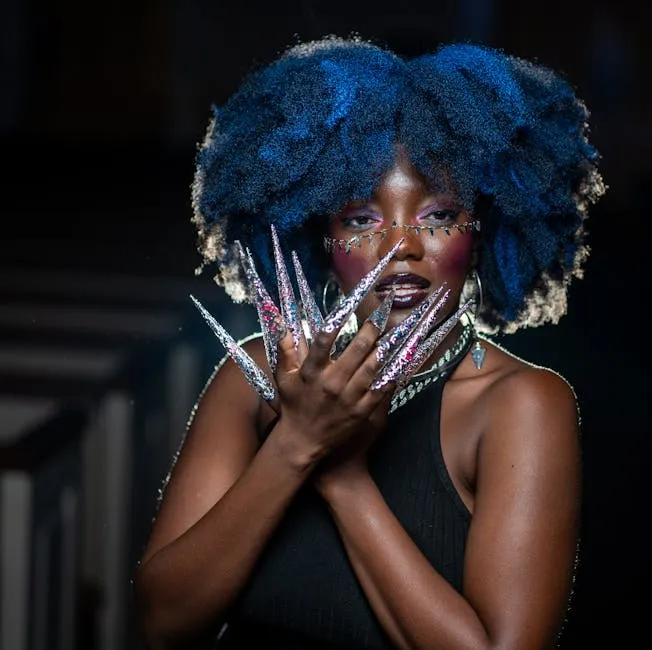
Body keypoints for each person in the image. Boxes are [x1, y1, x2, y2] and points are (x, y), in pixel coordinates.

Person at [133, 35, 605, 650]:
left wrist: (340, 472)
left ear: (483, 235)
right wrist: (294, 443)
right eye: (361, 219)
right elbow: (162, 622)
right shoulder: (252, 377)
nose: (401, 247)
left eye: (438, 216)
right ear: (319, 239)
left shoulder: (523, 405)